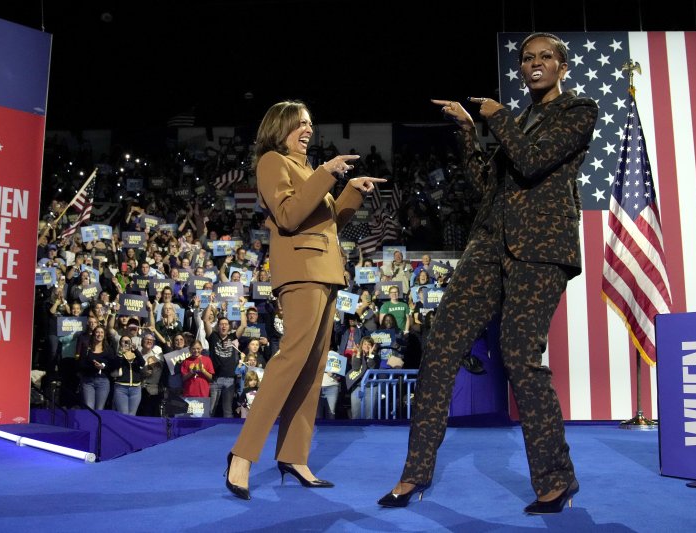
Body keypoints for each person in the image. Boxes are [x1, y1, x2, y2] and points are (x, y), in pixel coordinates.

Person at [378, 32, 598, 514]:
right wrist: (465, 129)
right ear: (520, 68)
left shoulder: (579, 111)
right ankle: (414, 473)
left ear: (562, 66)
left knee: (520, 355)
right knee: (439, 347)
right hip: (487, 247)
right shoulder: (516, 120)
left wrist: (496, 118)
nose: (535, 63)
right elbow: (486, 185)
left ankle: (557, 479)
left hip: (540, 251)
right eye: (527, 58)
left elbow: (534, 161)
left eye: (545, 57)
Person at [225, 100, 385, 500]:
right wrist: (326, 174)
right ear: (280, 127)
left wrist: (349, 189)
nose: (308, 128)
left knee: (313, 370)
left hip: (327, 273)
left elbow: (329, 224)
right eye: (300, 123)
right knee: (290, 361)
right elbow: (290, 217)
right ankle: (242, 455)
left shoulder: (308, 171)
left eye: (311, 122)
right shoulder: (272, 162)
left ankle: (294, 456)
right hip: (300, 273)